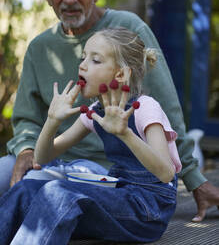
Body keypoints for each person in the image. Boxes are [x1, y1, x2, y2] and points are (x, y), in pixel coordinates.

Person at [0, 0, 218, 222]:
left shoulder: (128, 29)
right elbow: (25, 119)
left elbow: (167, 112)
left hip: (109, 171)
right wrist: (25, 150)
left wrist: (194, 179)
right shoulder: (39, 48)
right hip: (53, 157)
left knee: (46, 191)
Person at [0, 27, 182, 244]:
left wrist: (125, 134)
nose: (82, 65)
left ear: (120, 74)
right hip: (119, 195)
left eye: (95, 60)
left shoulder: (144, 108)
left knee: (58, 192)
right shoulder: (95, 111)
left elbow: (166, 173)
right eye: (83, 57)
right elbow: (42, 158)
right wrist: (52, 120)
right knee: (26, 189)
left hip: (149, 209)